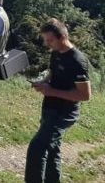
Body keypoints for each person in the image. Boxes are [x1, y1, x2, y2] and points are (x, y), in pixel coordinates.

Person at [25, 19, 92, 183]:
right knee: (52, 148)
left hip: (64, 113)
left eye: (50, 40)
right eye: (45, 40)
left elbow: (85, 95)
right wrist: (43, 83)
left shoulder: (77, 61)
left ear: (62, 37)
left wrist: (51, 91)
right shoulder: (55, 53)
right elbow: (53, 75)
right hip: (50, 108)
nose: (47, 44)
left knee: (36, 148)